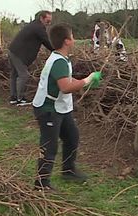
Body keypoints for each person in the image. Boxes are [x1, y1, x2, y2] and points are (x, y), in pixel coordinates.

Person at [31, 23, 101, 190]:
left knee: (72, 137)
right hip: (48, 109)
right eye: (72, 37)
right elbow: (65, 87)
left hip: (61, 108)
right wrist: (88, 79)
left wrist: (85, 81)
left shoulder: (62, 59)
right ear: (67, 41)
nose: (74, 40)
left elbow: (67, 82)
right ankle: (42, 183)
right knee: (50, 145)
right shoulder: (58, 62)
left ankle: (68, 170)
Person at [7, 10, 54, 106]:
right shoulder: (38, 28)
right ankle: (20, 98)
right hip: (18, 53)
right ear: (41, 18)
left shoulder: (34, 25)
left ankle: (13, 98)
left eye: (50, 22)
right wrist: (56, 51)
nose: (49, 24)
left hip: (13, 50)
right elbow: (46, 41)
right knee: (23, 75)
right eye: (47, 21)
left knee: (14, 74)